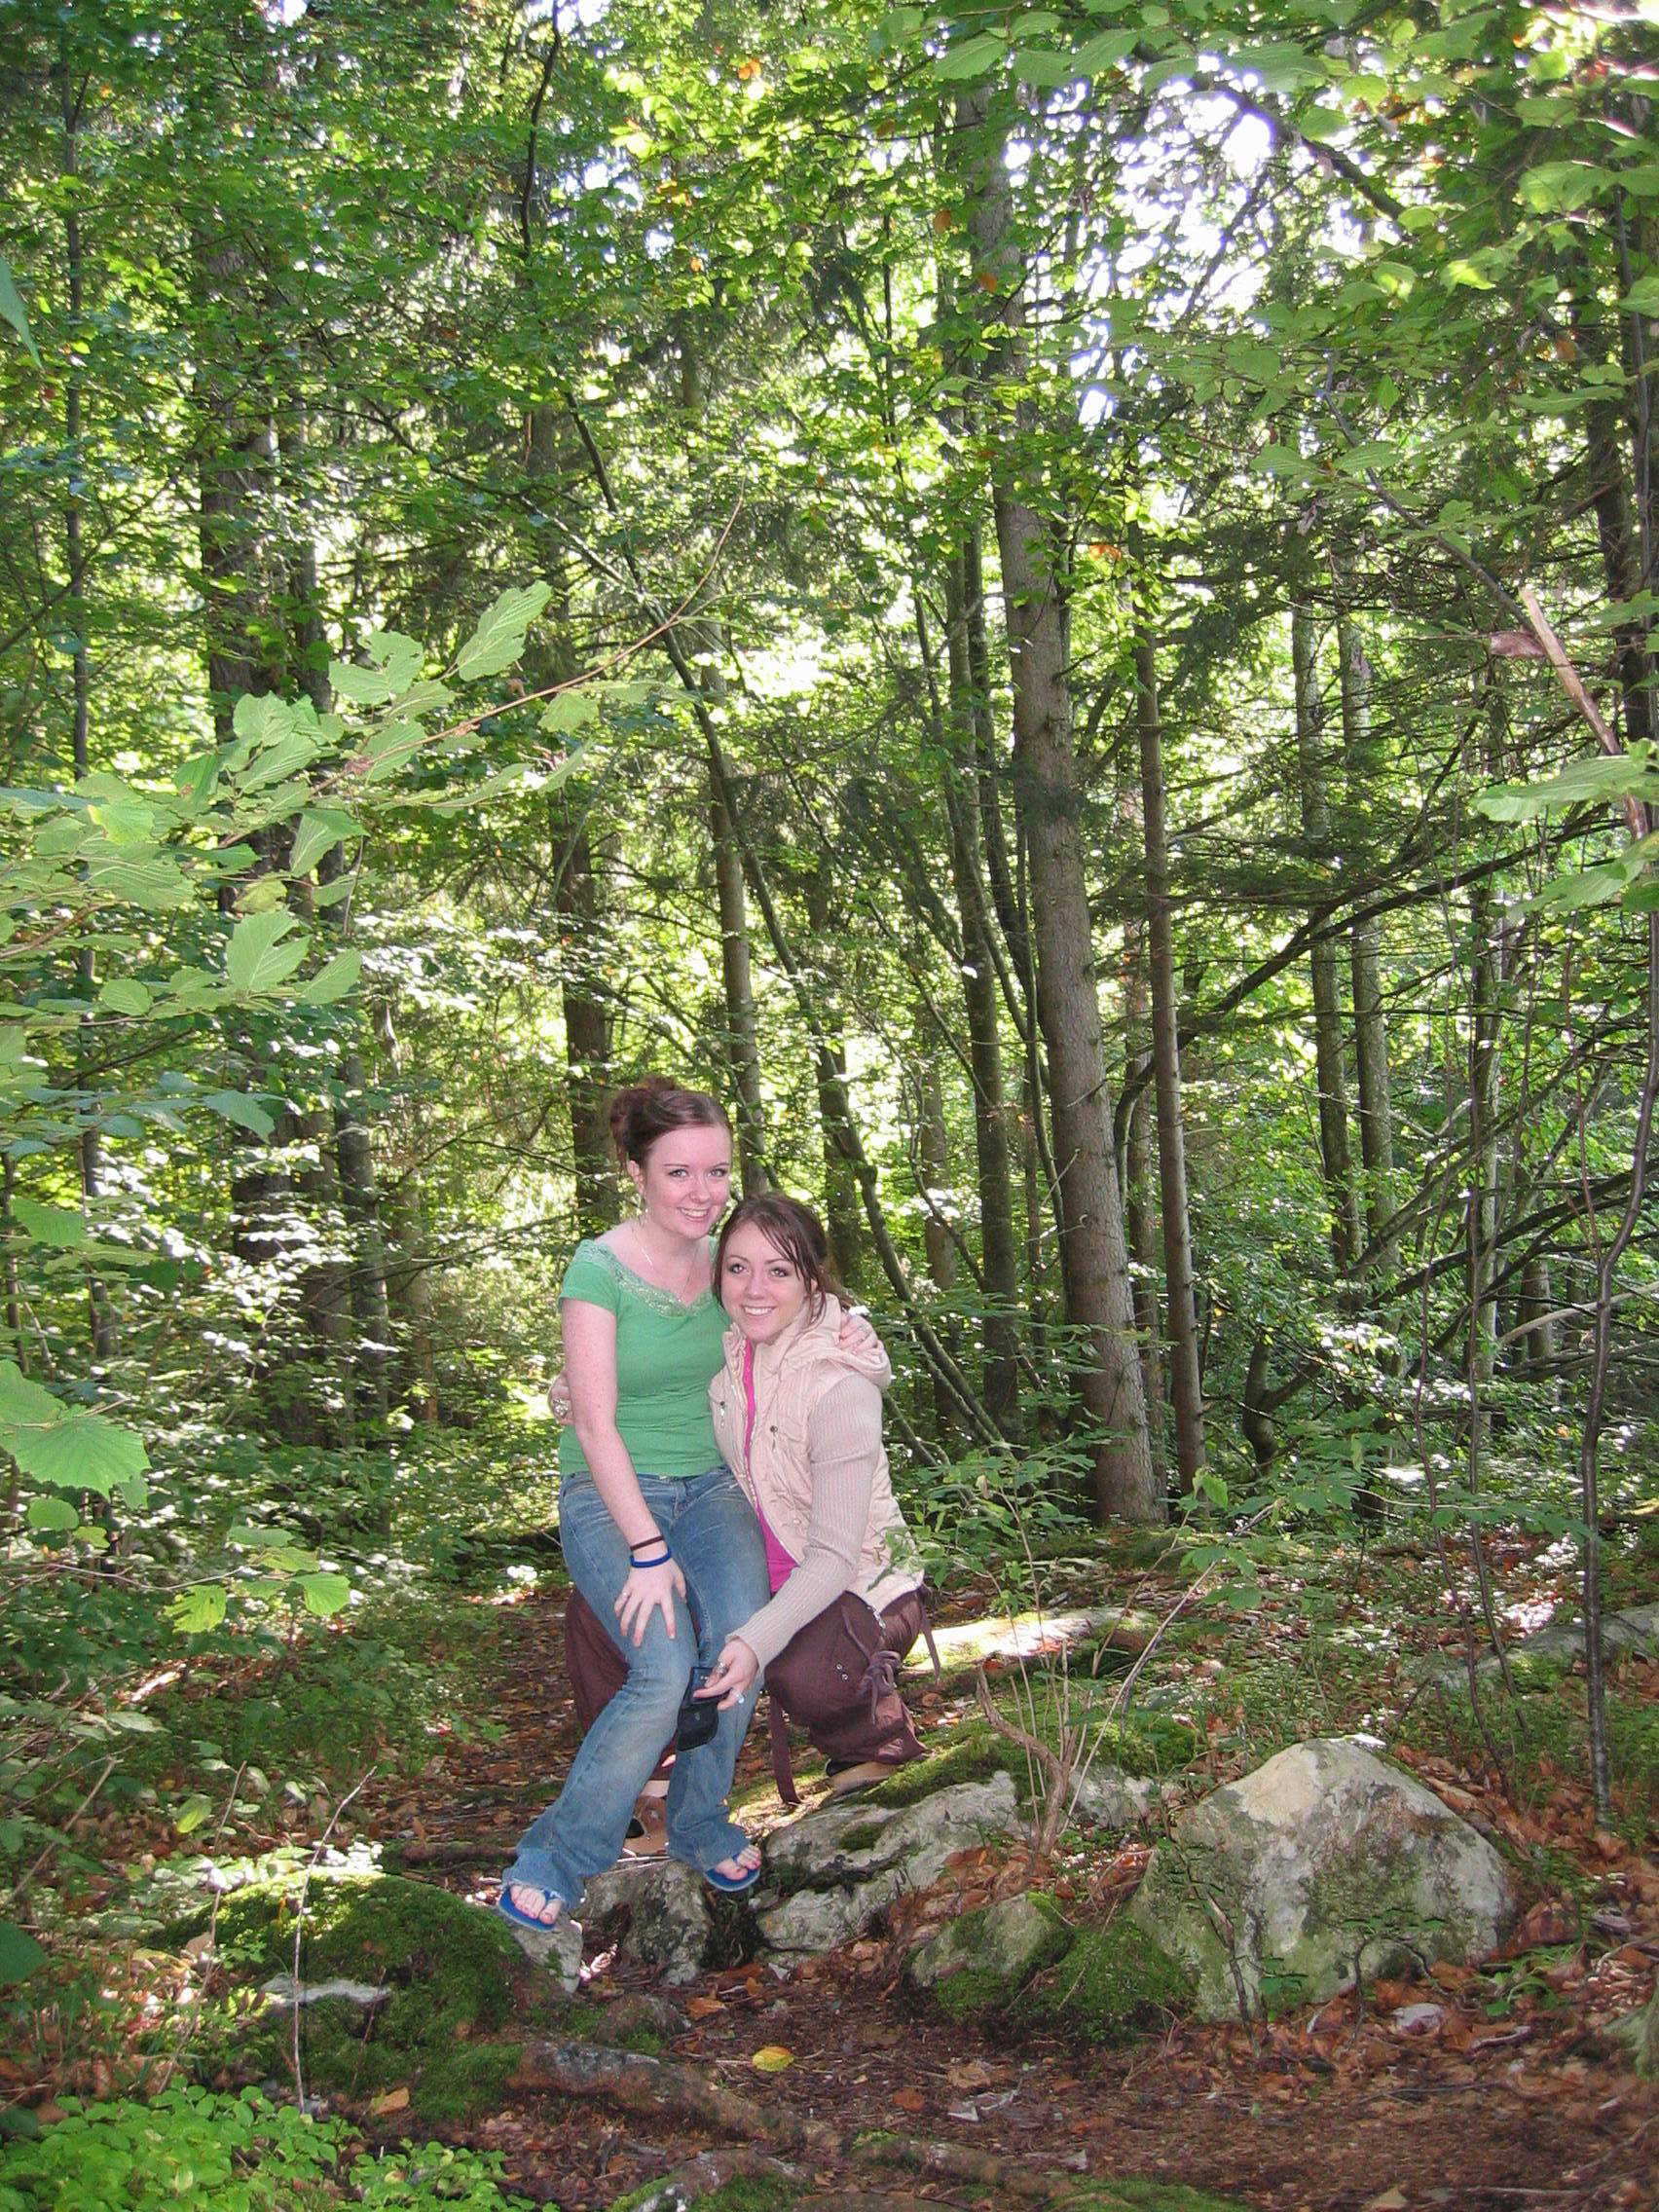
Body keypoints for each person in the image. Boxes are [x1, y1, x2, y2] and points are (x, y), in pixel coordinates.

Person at [498, 1079, 771, 1934]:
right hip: (609, 1492)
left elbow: (795, 1313)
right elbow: (596, 1421)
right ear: (636, 1172)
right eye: (681, 1173)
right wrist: (648, 1551)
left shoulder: (731, 1254)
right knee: (661, 1668)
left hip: (713, 1485)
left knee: (740, 1645)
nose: (704, 1193)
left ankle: (697, 1822)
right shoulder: (598, 1267)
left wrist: (855, 1342)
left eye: (718, 1172)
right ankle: (557, 1856)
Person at [694, 1194, 931, 1799]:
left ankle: (874, 1739)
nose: (754, 1288)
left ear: (811, 1281)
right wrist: (576, 1386)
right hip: (767, 1570)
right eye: (738, 1267)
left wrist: (756, 1639)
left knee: (807, 1672)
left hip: (867, 1578)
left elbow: (832, 1556)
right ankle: (655, 1790)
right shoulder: (727, 1362)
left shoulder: (840, 1383)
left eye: (779, 1271)